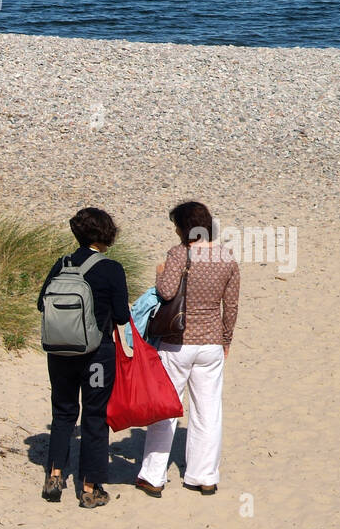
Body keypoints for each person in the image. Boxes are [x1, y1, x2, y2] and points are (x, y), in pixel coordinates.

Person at [136, 200, 240, 498]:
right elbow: (230, 307)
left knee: (166, 408)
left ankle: (153, 476)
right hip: (211, 344)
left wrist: (159, 273)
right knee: (208, 410)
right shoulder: (227, 258)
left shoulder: (179, 253)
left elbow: (167, 292)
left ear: (184, 227)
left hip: (177, 342)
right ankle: (204, 476)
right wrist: (226, 341)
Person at [37, 207, 130, 509]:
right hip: (96, 355)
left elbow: (42, 305)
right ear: (106, 233)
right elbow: (121, 315)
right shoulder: (112, 269)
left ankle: (54, 474)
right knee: (94, 416)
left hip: (60, 352)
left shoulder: (61, 265)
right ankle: (89, 487)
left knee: (63, 412)